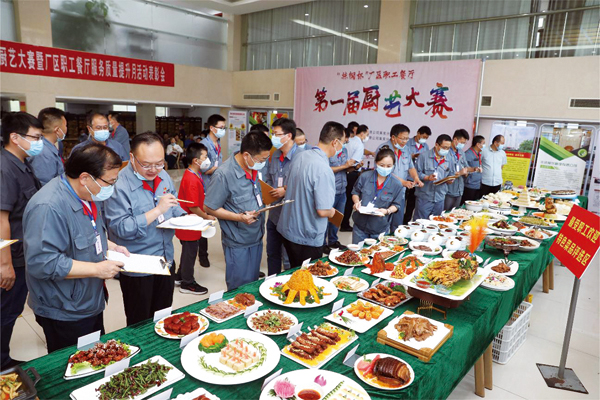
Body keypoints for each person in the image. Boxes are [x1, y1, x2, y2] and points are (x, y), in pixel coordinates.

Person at [23, 143, 128, 353]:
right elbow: (42, 262)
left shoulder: (86, 194)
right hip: (65, 308)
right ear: (85, 178)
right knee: (73, 362)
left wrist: (111, 246)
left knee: (95, 356)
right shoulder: (48, 207)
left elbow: (87, 232)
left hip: (88, 298)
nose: (112, 187)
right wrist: (97, 269)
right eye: (110, 182)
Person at [104, 132, 185, 326]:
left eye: (159, 163)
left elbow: (173, 202)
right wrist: (157, 210)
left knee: (163, 317)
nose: (153, 170)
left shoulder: (162, 175)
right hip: (138, 265)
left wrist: (184, 217)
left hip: (165, 258)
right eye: (146, 165)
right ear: (132, 157)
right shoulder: (117, 184)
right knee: (139, 322)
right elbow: (121, 228)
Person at [1, 112, 43, 369]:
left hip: (22, 254)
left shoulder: (22, 163)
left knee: (10, 310)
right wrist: (4, 264)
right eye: (35, 138)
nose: (39, 143)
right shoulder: (5, 168)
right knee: (6, 311)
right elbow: (1, 219)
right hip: (12, 257)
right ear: (15, 137)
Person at [204, 131, 272, 290]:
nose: (263, 163)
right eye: (262, 160)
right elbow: (210, 207)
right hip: (238, 242)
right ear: (247, 155)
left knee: (252, 284)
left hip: (256, 236)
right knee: (239, 289)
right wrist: (239, 217)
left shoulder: (252, 166)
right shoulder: (224, 175)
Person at [277, 121, 341, 268]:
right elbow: (323, 210)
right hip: (307, 236)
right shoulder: (324, 169)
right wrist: (332, 212)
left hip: (289, 230)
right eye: (342, 143)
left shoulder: (300, 156)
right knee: (307, 277)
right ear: (335, 142)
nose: (341, 148)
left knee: (293, 271)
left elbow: (288, 186)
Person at [174, 143, 215, 294]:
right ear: (196, 161)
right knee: (190, 253)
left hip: (191, 222)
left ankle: (180, 276)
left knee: (188, 251)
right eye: (205, 157)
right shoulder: (191, 179)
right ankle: (187, 283)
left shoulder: (194, 175)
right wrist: (207, 217)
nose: (207, 160)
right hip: (189, 223)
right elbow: (193, 207)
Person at [264, 118, 302, 276]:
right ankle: (271, 283)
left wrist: (286, 190)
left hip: (291, 215)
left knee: (290, 257)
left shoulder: (302, 157)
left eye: (276, 134)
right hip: (274, 213)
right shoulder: (274, 155)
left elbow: (304, 185)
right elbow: (268, 177)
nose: (273, 137)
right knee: (272, 253)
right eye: (272, 134)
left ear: (289, 136)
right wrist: (268, 190)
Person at [376, 124, 424, 233]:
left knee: (397, 223)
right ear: (393, 137)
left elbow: (411, 167)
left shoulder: (406, 149)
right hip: (384, 192)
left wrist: (416, 178)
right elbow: (383, 172)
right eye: (402, 138)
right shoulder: (383, 149)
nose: (405, 141)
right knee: (381, 222)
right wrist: (402, 182)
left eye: (407, 139)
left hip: (400, 193)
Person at [351, 147, 405, 243]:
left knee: (376, 251)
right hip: (360, 226)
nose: (385, 168)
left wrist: (387, 211)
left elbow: (397, 205)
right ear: (376, 163)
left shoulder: (397, 184)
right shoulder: (365, 177)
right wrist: (356, 202)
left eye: (389, 166)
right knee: (357, 251)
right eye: (382, 165)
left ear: (393, 166)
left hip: (380, 228)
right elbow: (355, 192)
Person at [413, 134, 456, 220]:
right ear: (436, 145)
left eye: (448, 148)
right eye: (444, 147)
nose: (446, 150)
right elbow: (416, 173)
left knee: (436, 222)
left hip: (440, 197)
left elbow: (452, 173)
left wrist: (451, 180)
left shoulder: (450, 158)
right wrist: (427, 177)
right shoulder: (424, 156)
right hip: (425, 197)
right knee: (420, 221)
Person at [325, 130, 354, 251]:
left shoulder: (344, 150)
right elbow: (326, 169)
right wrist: (344, 166)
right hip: (330, 190)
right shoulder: (328, 151)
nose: (346, 141)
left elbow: (345, 169)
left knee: (337, 218)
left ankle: (332, 241)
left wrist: (353, 167)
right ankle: (322, 244)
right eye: (344, 139)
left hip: (342, 189)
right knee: (326, 218)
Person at [340, 124, 369, 231]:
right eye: (367, 134)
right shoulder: (359, 144)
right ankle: (345, 224)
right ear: (362, 133)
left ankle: (340, 222)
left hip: (343, 172)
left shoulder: (349, 141)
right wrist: (358, 166)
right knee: (349, 200)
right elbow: (354, 162)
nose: (367, 137)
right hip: (352, 172)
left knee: (343, 199)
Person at [31, 107, 67, 186]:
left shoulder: (49, 147)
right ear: (57, 130)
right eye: (65, 125)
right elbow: (45, 186)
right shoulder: (44, 153)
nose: (66, 129)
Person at [403, 125, 431, 224]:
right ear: (418, 133)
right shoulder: (407, 143)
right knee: (402, 201)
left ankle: (406, 222)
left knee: (411, 204)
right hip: (406, 177)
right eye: (423, 137)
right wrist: (413, 156)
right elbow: (403, 156)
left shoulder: (425, 146)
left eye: (426, 138)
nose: (424, 139)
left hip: (417, 179)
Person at [444, 129, 471, 211]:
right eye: (462, 142)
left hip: (459, 189)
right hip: (448, 190)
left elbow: (466, 166)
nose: (463, 145)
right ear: (455, 139)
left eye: (464, 143)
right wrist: (459, 173)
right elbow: (444, 172)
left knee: (455, 213)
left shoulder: (461, 152)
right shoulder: (446, 152)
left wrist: (467, 172)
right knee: (445, 213)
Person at [200, 114, 226, 188]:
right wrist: (220, 168)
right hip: (208, 183)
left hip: (217, 181)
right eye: (221, 128)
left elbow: (218, 160)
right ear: (211, 128)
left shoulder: (218, 143)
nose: (223, 130)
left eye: (224, 128)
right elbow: (204, 170)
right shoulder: (204, 144)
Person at [462, 135, 486, 204]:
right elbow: (464, 168)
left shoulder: (478, 153)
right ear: (478, 144)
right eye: (483, 143)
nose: (484, 145)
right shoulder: (468, 154)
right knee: (468, 204)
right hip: (469, 185)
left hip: (477, 184)